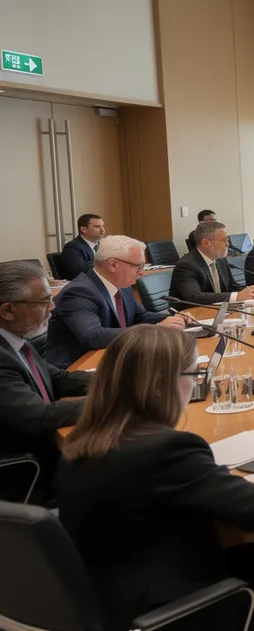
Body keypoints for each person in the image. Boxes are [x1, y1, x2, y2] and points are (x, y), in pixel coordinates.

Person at [55, 326, 254, 631]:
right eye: (194, 375)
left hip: (111, 593)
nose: (197, 385)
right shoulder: (167, 449)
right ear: (159, 385)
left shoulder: (83, 438)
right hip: (163, 612)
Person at [0, 261, 90, 504]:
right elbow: (38, 415)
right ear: (8, 310)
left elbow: (60, 379)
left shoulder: (15, 340)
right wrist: (113, 398)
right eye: (44, 301)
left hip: (48, 453)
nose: (52, 307)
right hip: (28, 474)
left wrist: (124, 377)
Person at [45, 236, 186, 369]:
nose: (142, 272)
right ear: (112, 264)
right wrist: (154, 330)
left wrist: (175, 318)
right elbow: (93, 336)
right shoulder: (79, 292)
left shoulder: (122, 286)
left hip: (112, 355)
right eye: (138, 266)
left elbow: (141, 316)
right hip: (78, 366)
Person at [170, 221, 254, 310]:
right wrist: (237, 296)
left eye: (227, 239)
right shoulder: (186, 265)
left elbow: (231, 286)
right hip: (192, 315)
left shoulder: (220, 259)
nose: (228, 244)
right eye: (223, 240)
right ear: (206, 243)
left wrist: (252, 290)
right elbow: (195, 297)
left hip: (219, 310)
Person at [59, 213, 105, 280]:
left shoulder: (103, 245)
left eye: (102, 226)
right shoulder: (73, 247)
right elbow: (78, 271)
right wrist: (104, 263)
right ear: (83, 229)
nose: (102, 230)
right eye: (97, 226)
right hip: (84, 286)